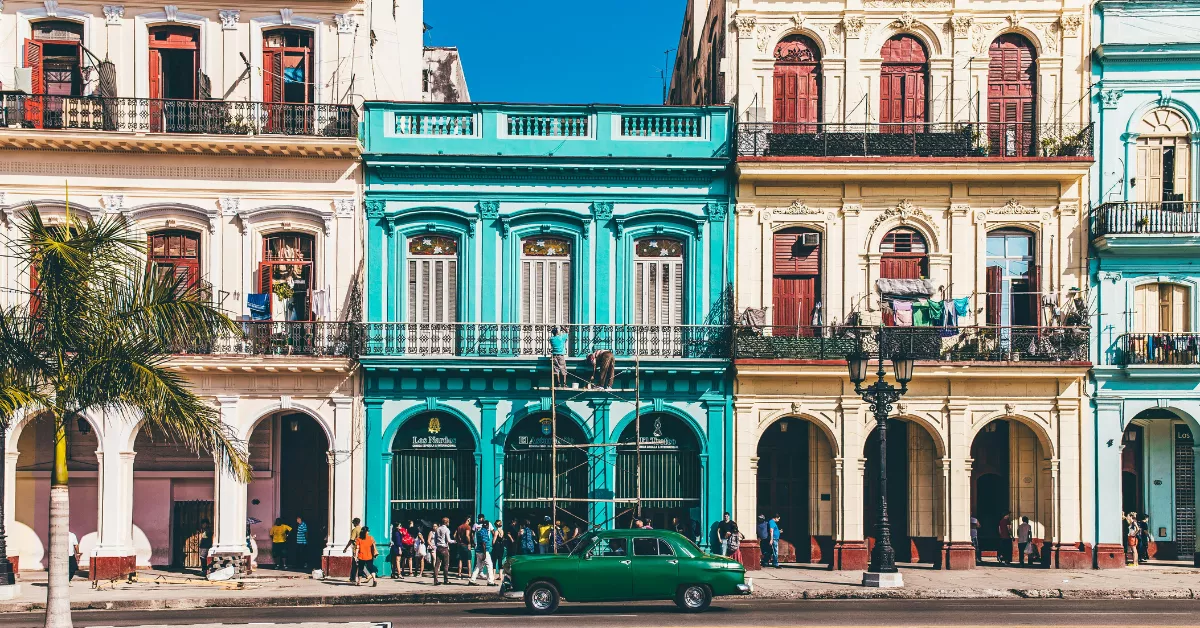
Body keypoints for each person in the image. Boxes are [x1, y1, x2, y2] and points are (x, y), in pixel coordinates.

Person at [469, 520, 495, 585]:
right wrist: (485, 553)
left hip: (478, 551)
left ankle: (472, 580)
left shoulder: (479, 532)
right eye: (488, 525)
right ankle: (490, 581)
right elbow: (484, 543)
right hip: (484, 551)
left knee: (478, 566)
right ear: (486, 525)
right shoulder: (485, 532)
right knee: (489, 565)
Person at [432, 517, 451, 585]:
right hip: (444, 548)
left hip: (438, 548)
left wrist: (436, 545)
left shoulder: (438, 529)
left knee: (437, 564)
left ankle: (435, 580)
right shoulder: (446, 529)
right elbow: (448, 540)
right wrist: (455, 541)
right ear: (447, 522)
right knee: (445, 565)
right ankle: (446, 580)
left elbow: (435, 539)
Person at [343, 517, 363, 581]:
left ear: (355, 523)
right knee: (361, 562)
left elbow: (351, 540)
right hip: (362, 548)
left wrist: (346, 548)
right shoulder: (362, 529)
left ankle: (353, 578)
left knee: (354, 563)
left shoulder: (355, 530)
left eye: (353, 523)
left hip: (356, 548)